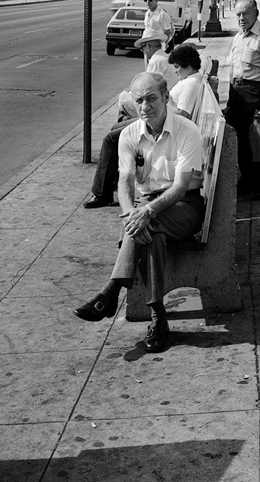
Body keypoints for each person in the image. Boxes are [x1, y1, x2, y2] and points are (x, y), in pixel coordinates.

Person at [72, 72, 205, 353]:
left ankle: (111, 292)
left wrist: (148, 212)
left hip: (184, 207)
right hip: (147, 209)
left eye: (152, 98)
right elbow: (124, 182)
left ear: (166, 98)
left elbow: (181, 187)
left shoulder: (186, 131)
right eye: (140, 100)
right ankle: (158, 319)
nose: (145, 107)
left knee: (149, 223)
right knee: (151, 236)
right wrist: (131, 212)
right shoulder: (130, 135)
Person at [83, 28, 174, 209]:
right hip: (161, 111)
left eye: (143, 48)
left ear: (149, 46)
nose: (143, 52)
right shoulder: (164, 59)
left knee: (111, 137)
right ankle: (117, 171)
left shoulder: (155, 63)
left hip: (157, 115)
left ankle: (102, 192)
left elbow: (144, 95)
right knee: (120, 122)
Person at [224, 0, 260, 200]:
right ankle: (247, 182)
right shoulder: (239, 37)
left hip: (255, 94)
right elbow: (233, 68)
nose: (241, 18)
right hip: (238, 95)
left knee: (258, 141)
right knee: (240, 142)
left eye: (245, 13)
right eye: (238, 14)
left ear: (256, 13)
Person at [168, 43, 205, 120]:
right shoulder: (191, 80)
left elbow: (182, 115)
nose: (175, 71)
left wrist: (165, 97)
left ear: (188, 65)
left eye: (177, 67)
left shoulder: (190, 84)